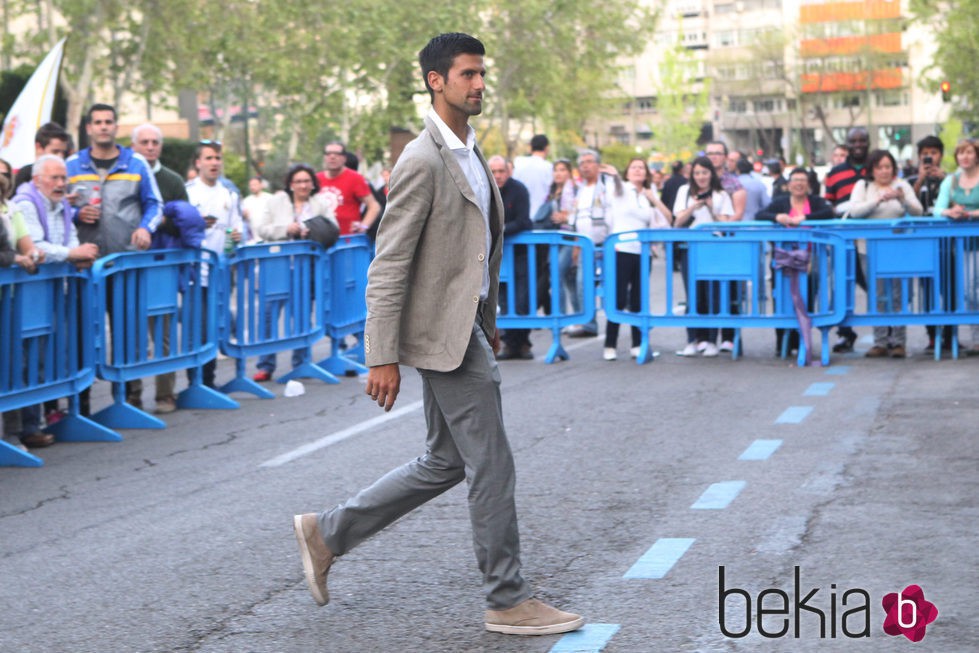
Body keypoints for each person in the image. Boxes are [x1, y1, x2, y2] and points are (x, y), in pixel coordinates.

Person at [291, 32, 583, 637]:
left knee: (446, 461)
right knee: (492, 463)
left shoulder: (471, 151)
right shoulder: (422, 160)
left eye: (482, 74)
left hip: (464, 330)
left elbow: (472, 254)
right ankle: (508, 598)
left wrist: (487, 322)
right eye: (468, 74)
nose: (479, 84)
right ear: (436, 80)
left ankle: (328, 532)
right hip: (441, 339)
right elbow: (390, 264)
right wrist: (382, 355)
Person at [66, 103, 164, 413]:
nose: (104, 127)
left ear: (116, 126)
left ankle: (130, 397)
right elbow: (56, 207)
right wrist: (76, 212)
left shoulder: (135, 163)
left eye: (109, 121)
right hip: (85, 267)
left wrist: (146, 228)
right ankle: (80, 404)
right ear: (89, 129)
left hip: (124, 265)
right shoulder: (71, 165)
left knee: (127, 332)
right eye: (98, 122)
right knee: (82, 333)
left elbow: (155, 204)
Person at [251, 164, 337, 382]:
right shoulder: (275, 202)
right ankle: (265, 365)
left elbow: (332, 228)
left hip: (306, 269)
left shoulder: (320, 204)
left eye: (307, 181)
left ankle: (300, 363)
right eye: (298, 181)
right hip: (277, 267)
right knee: (269, 317)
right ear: (290, 184)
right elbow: (261, 228)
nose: (303, 185)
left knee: (301, 317)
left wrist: (313, 231)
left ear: (313, 184)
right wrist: (285, 230)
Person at [847, 149, 924, 358]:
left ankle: (899, 342)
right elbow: (855, 211)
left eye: (888, 167)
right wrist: (877, 200)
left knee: (898, 295)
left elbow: (918, 210)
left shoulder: (902, 185)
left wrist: (902, 200)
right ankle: (880, 341)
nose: (884, 171)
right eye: (879, 167)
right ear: (872, 169)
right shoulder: (863, 186)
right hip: (868, 249)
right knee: (877, 295)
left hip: (897, 249)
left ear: (894, 168)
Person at [757, 167, 835, 354]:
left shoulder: (816, 202)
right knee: (781, 299)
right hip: (784, 258)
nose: (799, 184)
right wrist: (778, 217)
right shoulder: (780, 202)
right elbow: (760, 215)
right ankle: (781, 341)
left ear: (808, 184)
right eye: (795, 180)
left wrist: (804, 218)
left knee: (807, 297)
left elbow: (829, 213)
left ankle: (802, 340)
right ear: (788, 185)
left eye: (803, 180)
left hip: (809, 259)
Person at [0, 164, 51, 451]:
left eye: (5, 174)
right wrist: (14, 259)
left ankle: (13, 433)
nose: (1, 179)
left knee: (12, 366)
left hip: (9, 300)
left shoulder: (10, 209)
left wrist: (32, 253)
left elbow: (26, 243)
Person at [603, 157, 670, 361]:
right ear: (627, 172)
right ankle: (610, 344)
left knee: (638, 299)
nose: (638, 170)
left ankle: (637, 343)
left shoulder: (649, 194)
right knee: (619, 297)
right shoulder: (621, 188)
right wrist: (614, 176)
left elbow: (667, 219)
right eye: (634, 167)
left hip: (643, 252)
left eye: (642, 167)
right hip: (621, 249)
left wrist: (653, 199)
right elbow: (616, 187)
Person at [672, 156, 735, 357]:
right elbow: (677, 221)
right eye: (697, 173)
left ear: (711, 174)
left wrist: (710, 207)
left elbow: (725, 224)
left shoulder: (721, 194)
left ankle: (711, 340)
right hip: (690, 247)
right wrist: (693, 206)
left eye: (705, 173)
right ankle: (692, 339)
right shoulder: (684, 192)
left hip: (714, 248)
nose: (701, 177)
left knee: (713, 294)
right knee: (692, 294)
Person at [824, 127, 871, 353]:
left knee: (876, 284)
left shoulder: (877, 167)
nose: (859, 145)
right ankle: (845, 333)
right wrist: (837, 209)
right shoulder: (836, 173)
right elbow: (827, 205)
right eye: (854, 141)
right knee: (842, 285)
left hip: (872, 240)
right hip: (843, 240)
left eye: (863, 140)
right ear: (848, 144)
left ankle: (888, 331)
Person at [904, 135, 952, 351]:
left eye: (933, 153)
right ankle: (932, 336)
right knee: (927, 292)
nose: (930, 157)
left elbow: (957, 202)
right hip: (922, 244)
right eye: (925, 154)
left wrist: (943, 180)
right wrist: (920, 180)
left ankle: (951, 335)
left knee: (950, 291)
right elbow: (907, 206)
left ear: (940, 155)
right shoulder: (911, 181)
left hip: (948, 244)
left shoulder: (952, 180)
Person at [933, 139, 979, 353]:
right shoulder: (951, 181)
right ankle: (977, 337)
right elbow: (937, 208)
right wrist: (949, 212)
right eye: (961, 153)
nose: (965, 157)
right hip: (965, 246)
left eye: (969, 152)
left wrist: (970, 214)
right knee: (969, 291)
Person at [563, 148, 614, 338]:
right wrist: (576, 244)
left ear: (598, 165)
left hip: (605, 245)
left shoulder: (607, 187)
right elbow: (575, 219)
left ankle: (614, 325)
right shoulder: (580, 189)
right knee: (581, 283)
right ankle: (587, 322)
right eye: (582, 163)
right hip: (585, 245)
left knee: (610, 287)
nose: (585, 166)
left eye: (589, 162)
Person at [489, 155, 534, 360]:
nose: (498, 176)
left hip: (520, 253)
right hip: (496, 254)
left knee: (522, 299)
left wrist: (502, 229)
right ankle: (508, 343)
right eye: (494, 171)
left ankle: (523, 343)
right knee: (503, 298)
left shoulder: (519, 190)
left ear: (509, 172)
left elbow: (524, 221)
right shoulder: (484, 188)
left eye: (501, 171)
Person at [533, 159, 578, 315]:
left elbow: (578, 212)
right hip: (554, 239)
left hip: (570, 238)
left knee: (559, 274)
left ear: (569, 173)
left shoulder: (574, 190)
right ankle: (567, 317)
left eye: (562, 170)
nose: (558, 173)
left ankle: (564, 318)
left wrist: (567, 217)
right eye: (556, 170)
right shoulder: (551, 192)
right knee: (566, 279)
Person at [316, 141, 380, 235]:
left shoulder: (355, 178)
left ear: (344, 158)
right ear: (324, 157)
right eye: (328, 153)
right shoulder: (316, 179)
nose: (332, 157)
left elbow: (374, 206)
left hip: (347, 241)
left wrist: (364, 226)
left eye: (337, 154)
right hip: (321, 240)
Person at [12, 122, 71, 191]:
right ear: (39, 147)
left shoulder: (67, 172)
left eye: (63, 153)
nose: (60, 157)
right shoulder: (25, 175)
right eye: (55, 152)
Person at [512, 134, 553, 218]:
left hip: (519, 216)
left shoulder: (519, 162)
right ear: (546, 148)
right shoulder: (549, 167)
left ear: (531, 147)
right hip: (541, 216)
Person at [734, 156, 769, 221]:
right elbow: (767, 204)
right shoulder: (759, 184)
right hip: (754, 222)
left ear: (737, 170)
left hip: (735, 224)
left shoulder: (733, 184)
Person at [241, 176, 272, 242]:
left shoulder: (270, 198)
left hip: (269, 237)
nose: (252, 187)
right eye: (250, 185)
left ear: (261, 185)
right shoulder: (246, 201)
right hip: (253, 238)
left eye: (255, 184)